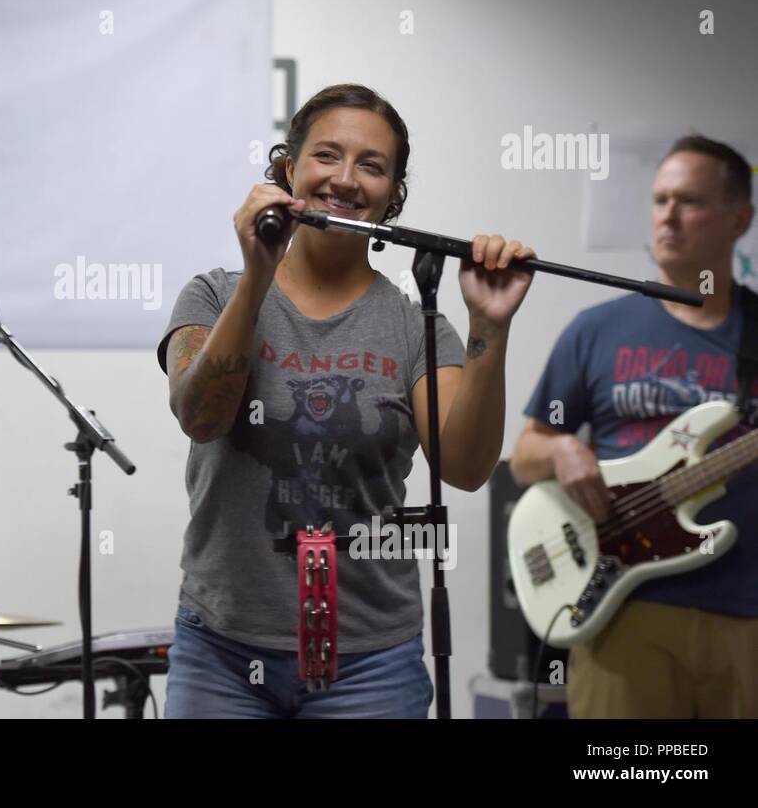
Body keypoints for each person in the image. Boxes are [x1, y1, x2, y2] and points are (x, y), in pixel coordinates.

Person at [158, 83, 535, 718]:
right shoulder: (213, 297)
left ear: (392, 196)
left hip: (370, 662)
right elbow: (202, 418)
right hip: (222, 652)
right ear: (288, 169)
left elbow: (467, 469)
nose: (346, 178)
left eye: (372, 166)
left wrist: (489, 328)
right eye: (327, 156)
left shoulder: (418, 326)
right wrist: (258, 273)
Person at [511, 135, 757, 718]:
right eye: (660, 200)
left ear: (739, 219)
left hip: (747, 612)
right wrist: (564, 450)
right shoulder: (596, 329)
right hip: (623, 609)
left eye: (689, 201)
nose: (667, 216)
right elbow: (525, 455)